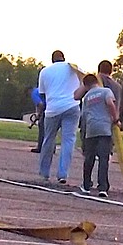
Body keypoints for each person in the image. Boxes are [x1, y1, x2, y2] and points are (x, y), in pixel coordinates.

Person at [37, 50, 81, 185]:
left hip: (52, 109)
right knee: (68, 141)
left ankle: (44, 172)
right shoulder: (72, 67)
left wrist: (46, 105)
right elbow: (85, 80)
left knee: (48, 140)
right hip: (72, 106)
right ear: (63, 58)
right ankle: (63, 174)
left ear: (52, 60)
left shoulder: (44, 72)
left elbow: (42, 94)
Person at [74, 73, 120, 196]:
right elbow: (110, 104)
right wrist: (115, 119)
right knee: (103, 158)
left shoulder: (87, 97)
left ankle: (86, 185)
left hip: (91, 129)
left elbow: (84, 115)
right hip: (104, 128)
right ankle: (102, 187)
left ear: (86, 86)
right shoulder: (106, 91)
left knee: (89, 158)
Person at [29, 85, 45, 152]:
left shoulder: (33, 93)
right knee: (50, 130)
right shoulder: (38, 90)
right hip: (52, 106)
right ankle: (51, 148)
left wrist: (40, 113)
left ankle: (40, 147)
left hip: (47, 109)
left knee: (42, 127)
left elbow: (40, 104)